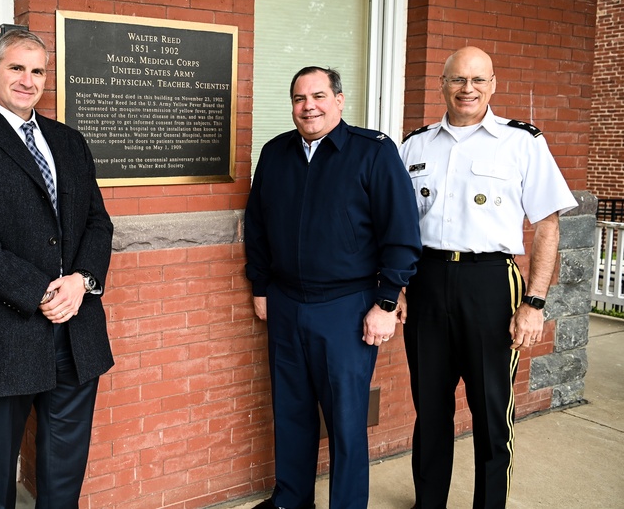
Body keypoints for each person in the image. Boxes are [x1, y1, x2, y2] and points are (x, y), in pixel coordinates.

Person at [0, 29, 114, 509]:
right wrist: (40, 291)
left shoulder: (69, 142)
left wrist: (81, 282)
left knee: (64, 465)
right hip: (3, 332)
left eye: (37, 71)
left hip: (75, 328)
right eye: (16, 68)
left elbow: (98, 223)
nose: (27, 79)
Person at [399, 46, 578, 508]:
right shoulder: (414, 145)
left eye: (478, 80)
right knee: (431, 409)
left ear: (494, 85)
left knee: (492, 411)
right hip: (426, 281)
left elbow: (548, 224)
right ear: (442, 84)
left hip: (491, 284)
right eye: (458, 80)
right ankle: (429, 503)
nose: (468, 89)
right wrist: (397, 286)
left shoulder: (522, 142)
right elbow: (396, 225)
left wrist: (534, 302)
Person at [244, 66, 422, 509]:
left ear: (339, 100)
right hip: (286, 303)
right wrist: (261, 286)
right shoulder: (275, 153)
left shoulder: (373, 153)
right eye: (300, 99)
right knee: (291, 410)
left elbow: (401, 233)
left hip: (347, 308)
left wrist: (385, 301)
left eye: (319, 96)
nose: (309, 106)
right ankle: (291, 498)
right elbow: (258, 226)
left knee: (345, 420)